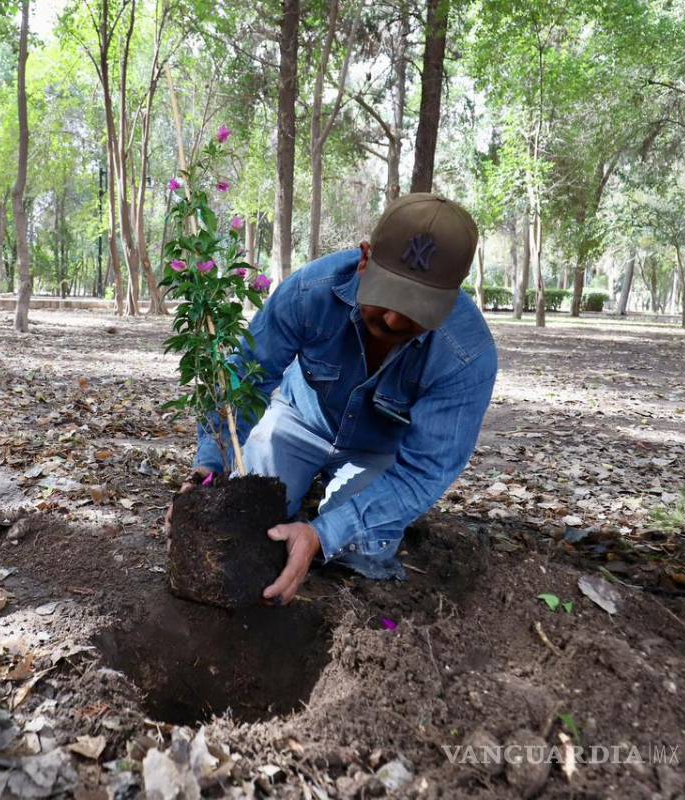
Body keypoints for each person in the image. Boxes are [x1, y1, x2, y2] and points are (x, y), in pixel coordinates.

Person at [178, 193, 497, 605]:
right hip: (298, 422)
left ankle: (330, 506)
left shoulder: (466, 356)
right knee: (245, 521)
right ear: (365, 260)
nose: (393, 320)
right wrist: (208, 466)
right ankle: (307, 493)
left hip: (378, 453)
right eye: (388, 296)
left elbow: (423, 472)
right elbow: (244, 379)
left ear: (451, 299)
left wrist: (323, 534)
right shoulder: (310, 292)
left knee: (364, 548)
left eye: (416, 308)